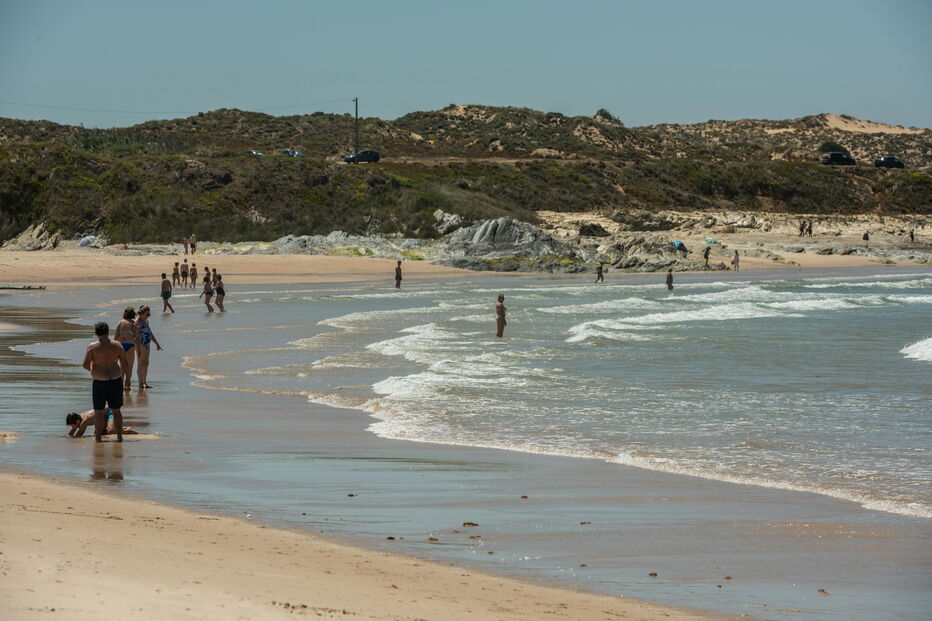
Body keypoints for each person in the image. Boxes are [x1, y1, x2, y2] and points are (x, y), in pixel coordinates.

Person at [82, 322, 126, 442]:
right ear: (107, 331)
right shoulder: (117, 345)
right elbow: (124, 362)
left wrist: (93, 370)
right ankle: (119, 436)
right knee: (116, 411)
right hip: (115, 379)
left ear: (96, 333)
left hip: (100, 381)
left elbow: (85, 364)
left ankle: (98, 438)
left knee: (99, 412)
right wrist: (126, 379)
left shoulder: (92, 347)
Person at [135, 305, 162, 389]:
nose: (148, 316)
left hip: (147, 344)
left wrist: (157, 343)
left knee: (146, 363)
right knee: (140, 363)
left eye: (149, 314)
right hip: (140, 344)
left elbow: (150, 333)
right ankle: (140, 383)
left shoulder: (146, 322)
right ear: (141, 313)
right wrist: (138, 348)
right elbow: (136, 337)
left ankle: (145, 382)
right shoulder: (137, 322)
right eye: (147, 314)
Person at [113, 307, 138, 391]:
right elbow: (137, 336)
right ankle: (128, 384)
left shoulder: (120, 322)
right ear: (133, 314)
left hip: (121, 345)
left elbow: (115, 337)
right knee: (129, 366)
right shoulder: (134, 323)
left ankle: (121, 385)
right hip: (130, 345)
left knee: (122, 366)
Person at [67, 410, 137, 438]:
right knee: (99, 433)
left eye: (72, 426)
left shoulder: (85, 421)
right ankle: (120, 428)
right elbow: (71, 434)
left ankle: (128, 430)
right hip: (103, 417)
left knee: (110, 431)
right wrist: (71, 431)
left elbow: (78, 436)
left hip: (110, 411)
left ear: (77, 421)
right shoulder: (78, 418)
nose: (73, 428)